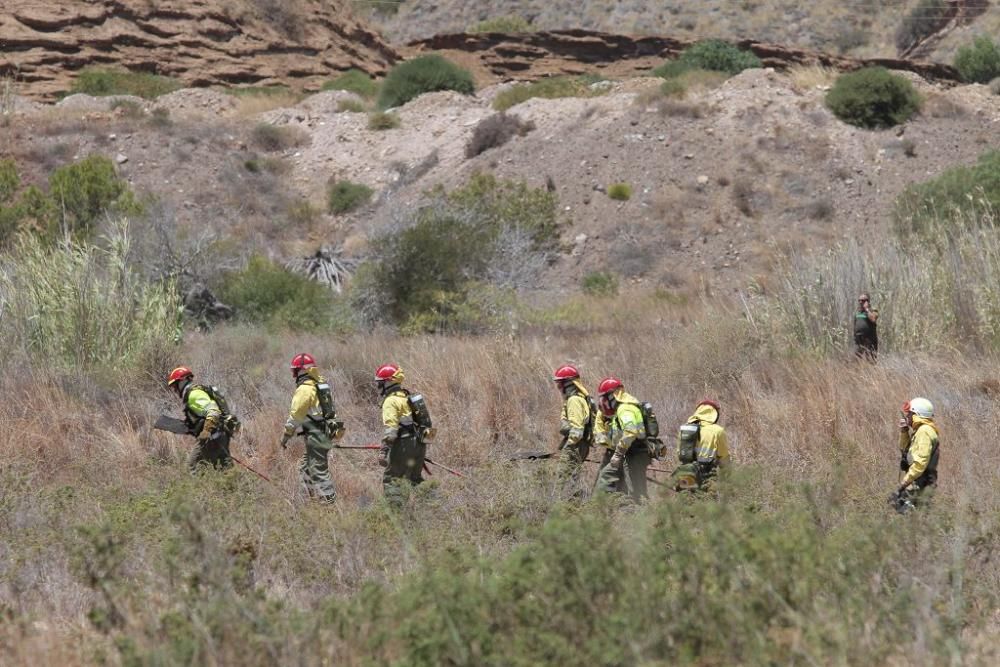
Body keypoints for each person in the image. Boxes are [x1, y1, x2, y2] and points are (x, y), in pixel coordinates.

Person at [280, 353, 343, 504]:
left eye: (295, 370)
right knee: (305, 469)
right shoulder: (320, 384)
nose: (294, 374)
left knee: (319, 471)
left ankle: (329, 505)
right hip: (325, 432)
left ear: (300, 370)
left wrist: (286, 436)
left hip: (316, 435)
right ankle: (312, 501)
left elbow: (295, 417)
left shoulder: (305, 390)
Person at [376, 364, 433, 506]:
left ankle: (396, 514)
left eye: (380, 383)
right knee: (415, 479)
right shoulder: (406, 397)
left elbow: (391, 429)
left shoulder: (390, 401)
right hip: (419, 444)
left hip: (403, 445)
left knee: (392, 480)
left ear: (388, 382)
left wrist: (383, 451)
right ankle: (435, 506)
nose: (379, 387)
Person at [167, 366, 235, 473]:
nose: (175, 390)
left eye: (175, 385)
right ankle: (239, 488)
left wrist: (206, 431)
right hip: (221, 434)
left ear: (182, 381)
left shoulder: (193, 395)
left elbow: (213, 411)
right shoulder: (197, 391)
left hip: (212, 438)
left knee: (192, 469)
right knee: (225, 470)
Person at [594, 377, 651, 502]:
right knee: (623, 486)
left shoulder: (624, 409)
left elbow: (630, 431)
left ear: (612, 396)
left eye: (604, 397)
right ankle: (613, 510)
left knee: (636, 493)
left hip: (634, 454)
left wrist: (618, 453)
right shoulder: (622, 408)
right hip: (631, 452)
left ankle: (641, 515)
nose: (603, 401)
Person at [552, 365, 597, 498]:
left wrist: (569, 448)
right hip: (579, 445)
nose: (558, 387)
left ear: (568, 384)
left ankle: (564, 508)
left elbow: (577, 430)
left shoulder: (574, 401)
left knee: (562, 481)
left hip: (576, 445)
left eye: (560, 383)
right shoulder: (579, 398)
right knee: (571, 479)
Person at [890, 397, 940, 513]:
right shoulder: (920, 431)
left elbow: (920, 463)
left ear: (917, 415)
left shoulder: (924, 432)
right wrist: (904, 432)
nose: (907, 417)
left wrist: (904, 482)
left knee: (910, 518)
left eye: (910, 414)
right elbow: (904, 450)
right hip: (917, 482)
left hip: (920, 484)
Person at [672, 399, 730, 493]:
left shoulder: (685, 429)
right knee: (707, 504)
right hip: (707, 475)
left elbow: (679, 453)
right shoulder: (718, 431)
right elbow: (724, 458)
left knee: (686, 501)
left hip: (686, 472)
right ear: (714, 414)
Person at [854, 293, 879, 360]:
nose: (860, 302)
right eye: (859, 300)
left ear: (868, 301)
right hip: (859, 340)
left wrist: (867, 309)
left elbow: (873, 319)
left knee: (871, 360)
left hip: (869, 340)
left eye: (863, 300)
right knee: (857, 360)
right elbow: (855, 324)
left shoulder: (873, 310)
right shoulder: (858, 312)